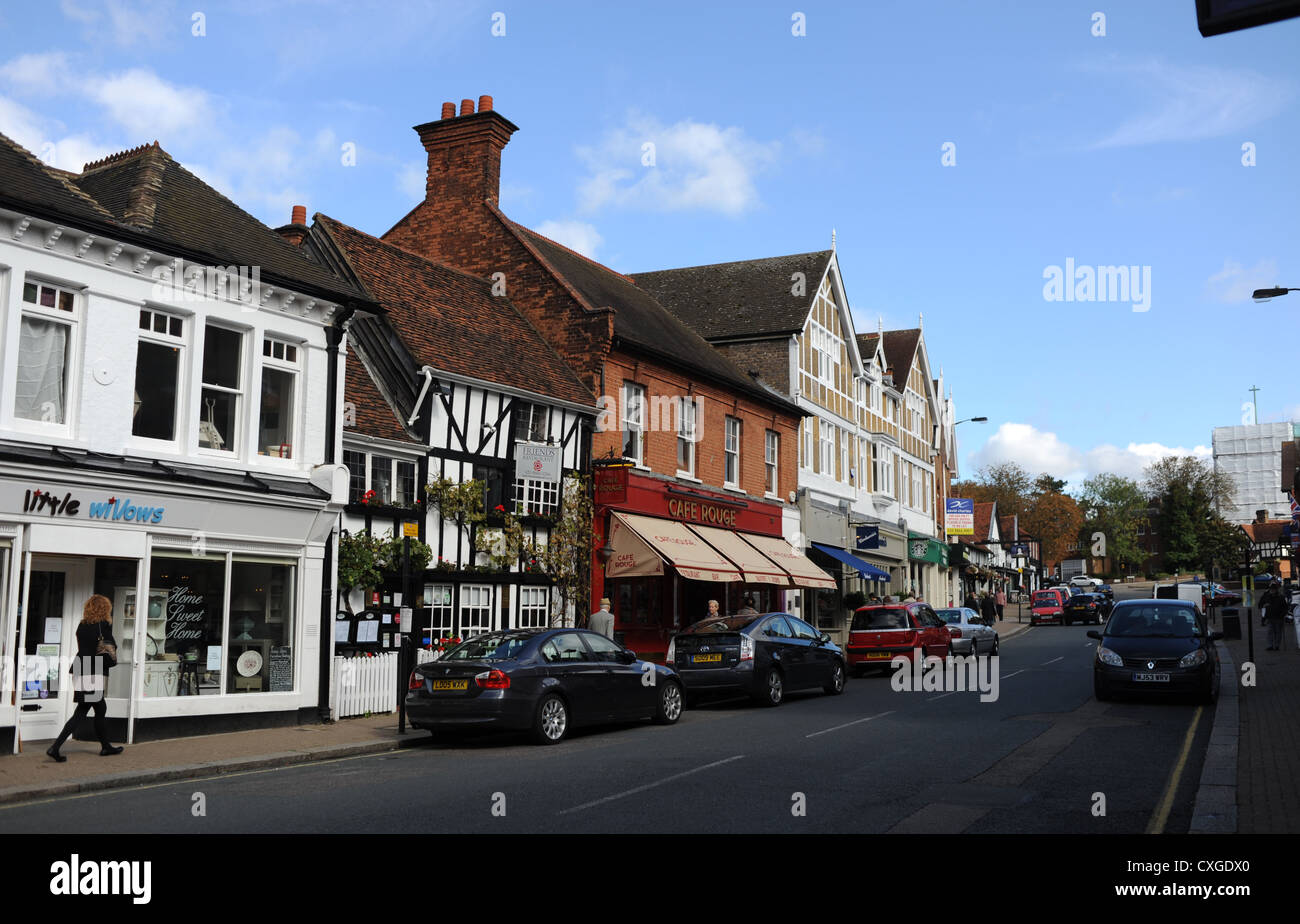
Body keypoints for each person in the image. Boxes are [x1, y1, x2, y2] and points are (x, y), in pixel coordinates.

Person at [46, 594, 124, 762]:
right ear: (105, 609)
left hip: (81, 666)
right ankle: (55, 747)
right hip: (93, 669)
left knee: (98, 708)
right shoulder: (103, 626)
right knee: (82, 711)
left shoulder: (82, 625)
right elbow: (109, 648)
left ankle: (105, 747)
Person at [1262, 584, 1288, 650]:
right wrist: (1264, 606)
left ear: (1276, 590)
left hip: (1279, 618)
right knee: (1270, 632)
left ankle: (1277, 645)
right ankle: (1270, 645)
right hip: (1270, 617)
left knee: (1278, 632)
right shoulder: (1267, 596)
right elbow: (1261, 605)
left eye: (1273, 589)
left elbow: (1285, 607)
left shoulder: (1281, 597)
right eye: (1271, 589)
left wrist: (1282, 615)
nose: (1272, 590)